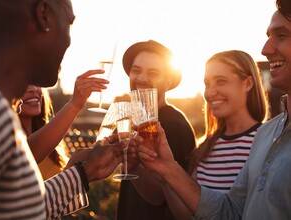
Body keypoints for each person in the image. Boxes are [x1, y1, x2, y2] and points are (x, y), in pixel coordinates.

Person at [0, 0, 125, 219]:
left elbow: (11, 211)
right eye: (69, 23)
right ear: (44, 15)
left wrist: (85, 172)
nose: (69, 41)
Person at [137, 0, 291, 219]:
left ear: (248, 83)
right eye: (207, 83)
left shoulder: (257, 136)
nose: (265, 49)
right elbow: (230, 212)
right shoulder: (264, 137)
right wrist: (167, 169)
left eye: (282, 35)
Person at [161, 50, 269, 218]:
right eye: (207, 83)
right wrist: (162, 172)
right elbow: (187, 214)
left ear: (247, 84)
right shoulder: (205, 148)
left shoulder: (267, 144)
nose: (210, 93)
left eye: (221, 81)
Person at [116, 40, 196, 220]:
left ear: (168, 83)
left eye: (153, 73)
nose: (142, 78)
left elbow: (162, 195)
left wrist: (132, 165)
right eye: (136, 70)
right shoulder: (133, 121)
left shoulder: (172, 126)